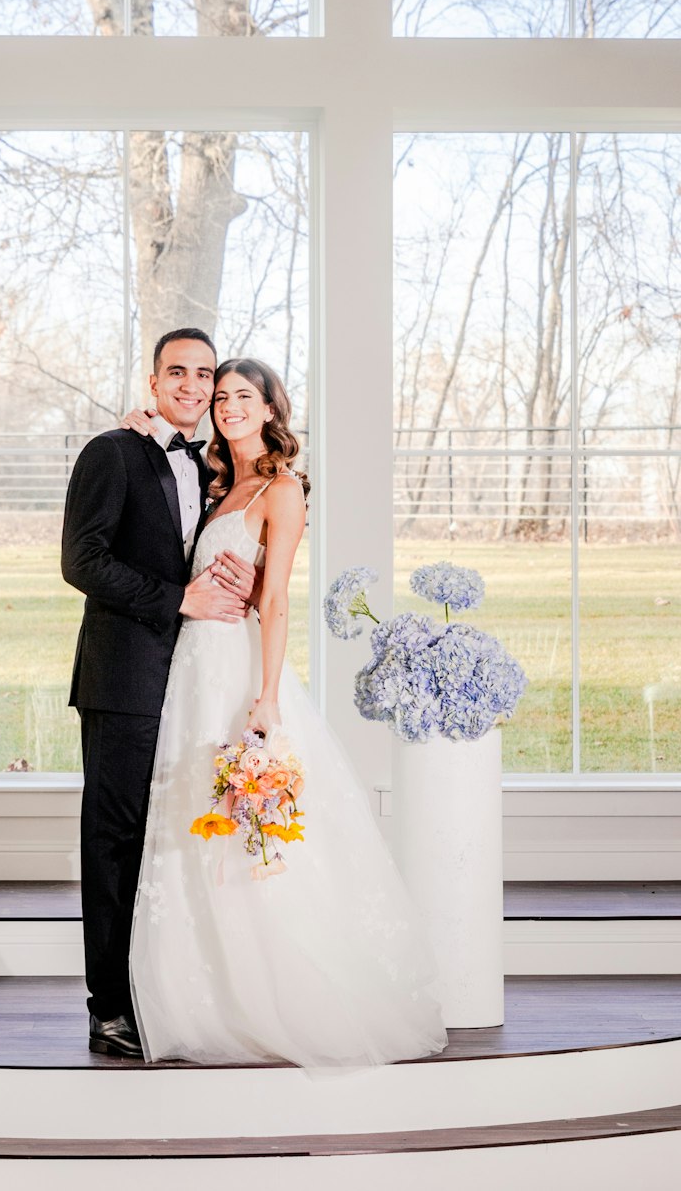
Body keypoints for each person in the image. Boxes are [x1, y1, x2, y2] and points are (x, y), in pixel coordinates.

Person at [126, 357, 448, 1068]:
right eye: (222, 397)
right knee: (192, 819)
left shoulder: (282, 488)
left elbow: (275, 601)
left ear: (272, 409)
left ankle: (272, 994)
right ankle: (202, 992)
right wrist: (143, 427)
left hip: (237, 670)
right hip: (192, 666)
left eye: (246, 396)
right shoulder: (217, 484)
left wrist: (266, 694)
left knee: (247, 829)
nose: (230, 406)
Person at [61, 328, 259, 1058]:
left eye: (204, 374)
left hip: (191, 683)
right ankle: (108, 1007)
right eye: (176, 371)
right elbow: (80, 561)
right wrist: (179, 599)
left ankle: (160, 989)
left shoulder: (210, 467)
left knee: (167, 842)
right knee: (113, 841)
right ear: (152, 381)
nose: (191, 385)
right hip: (122, 679)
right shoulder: (111, 452)